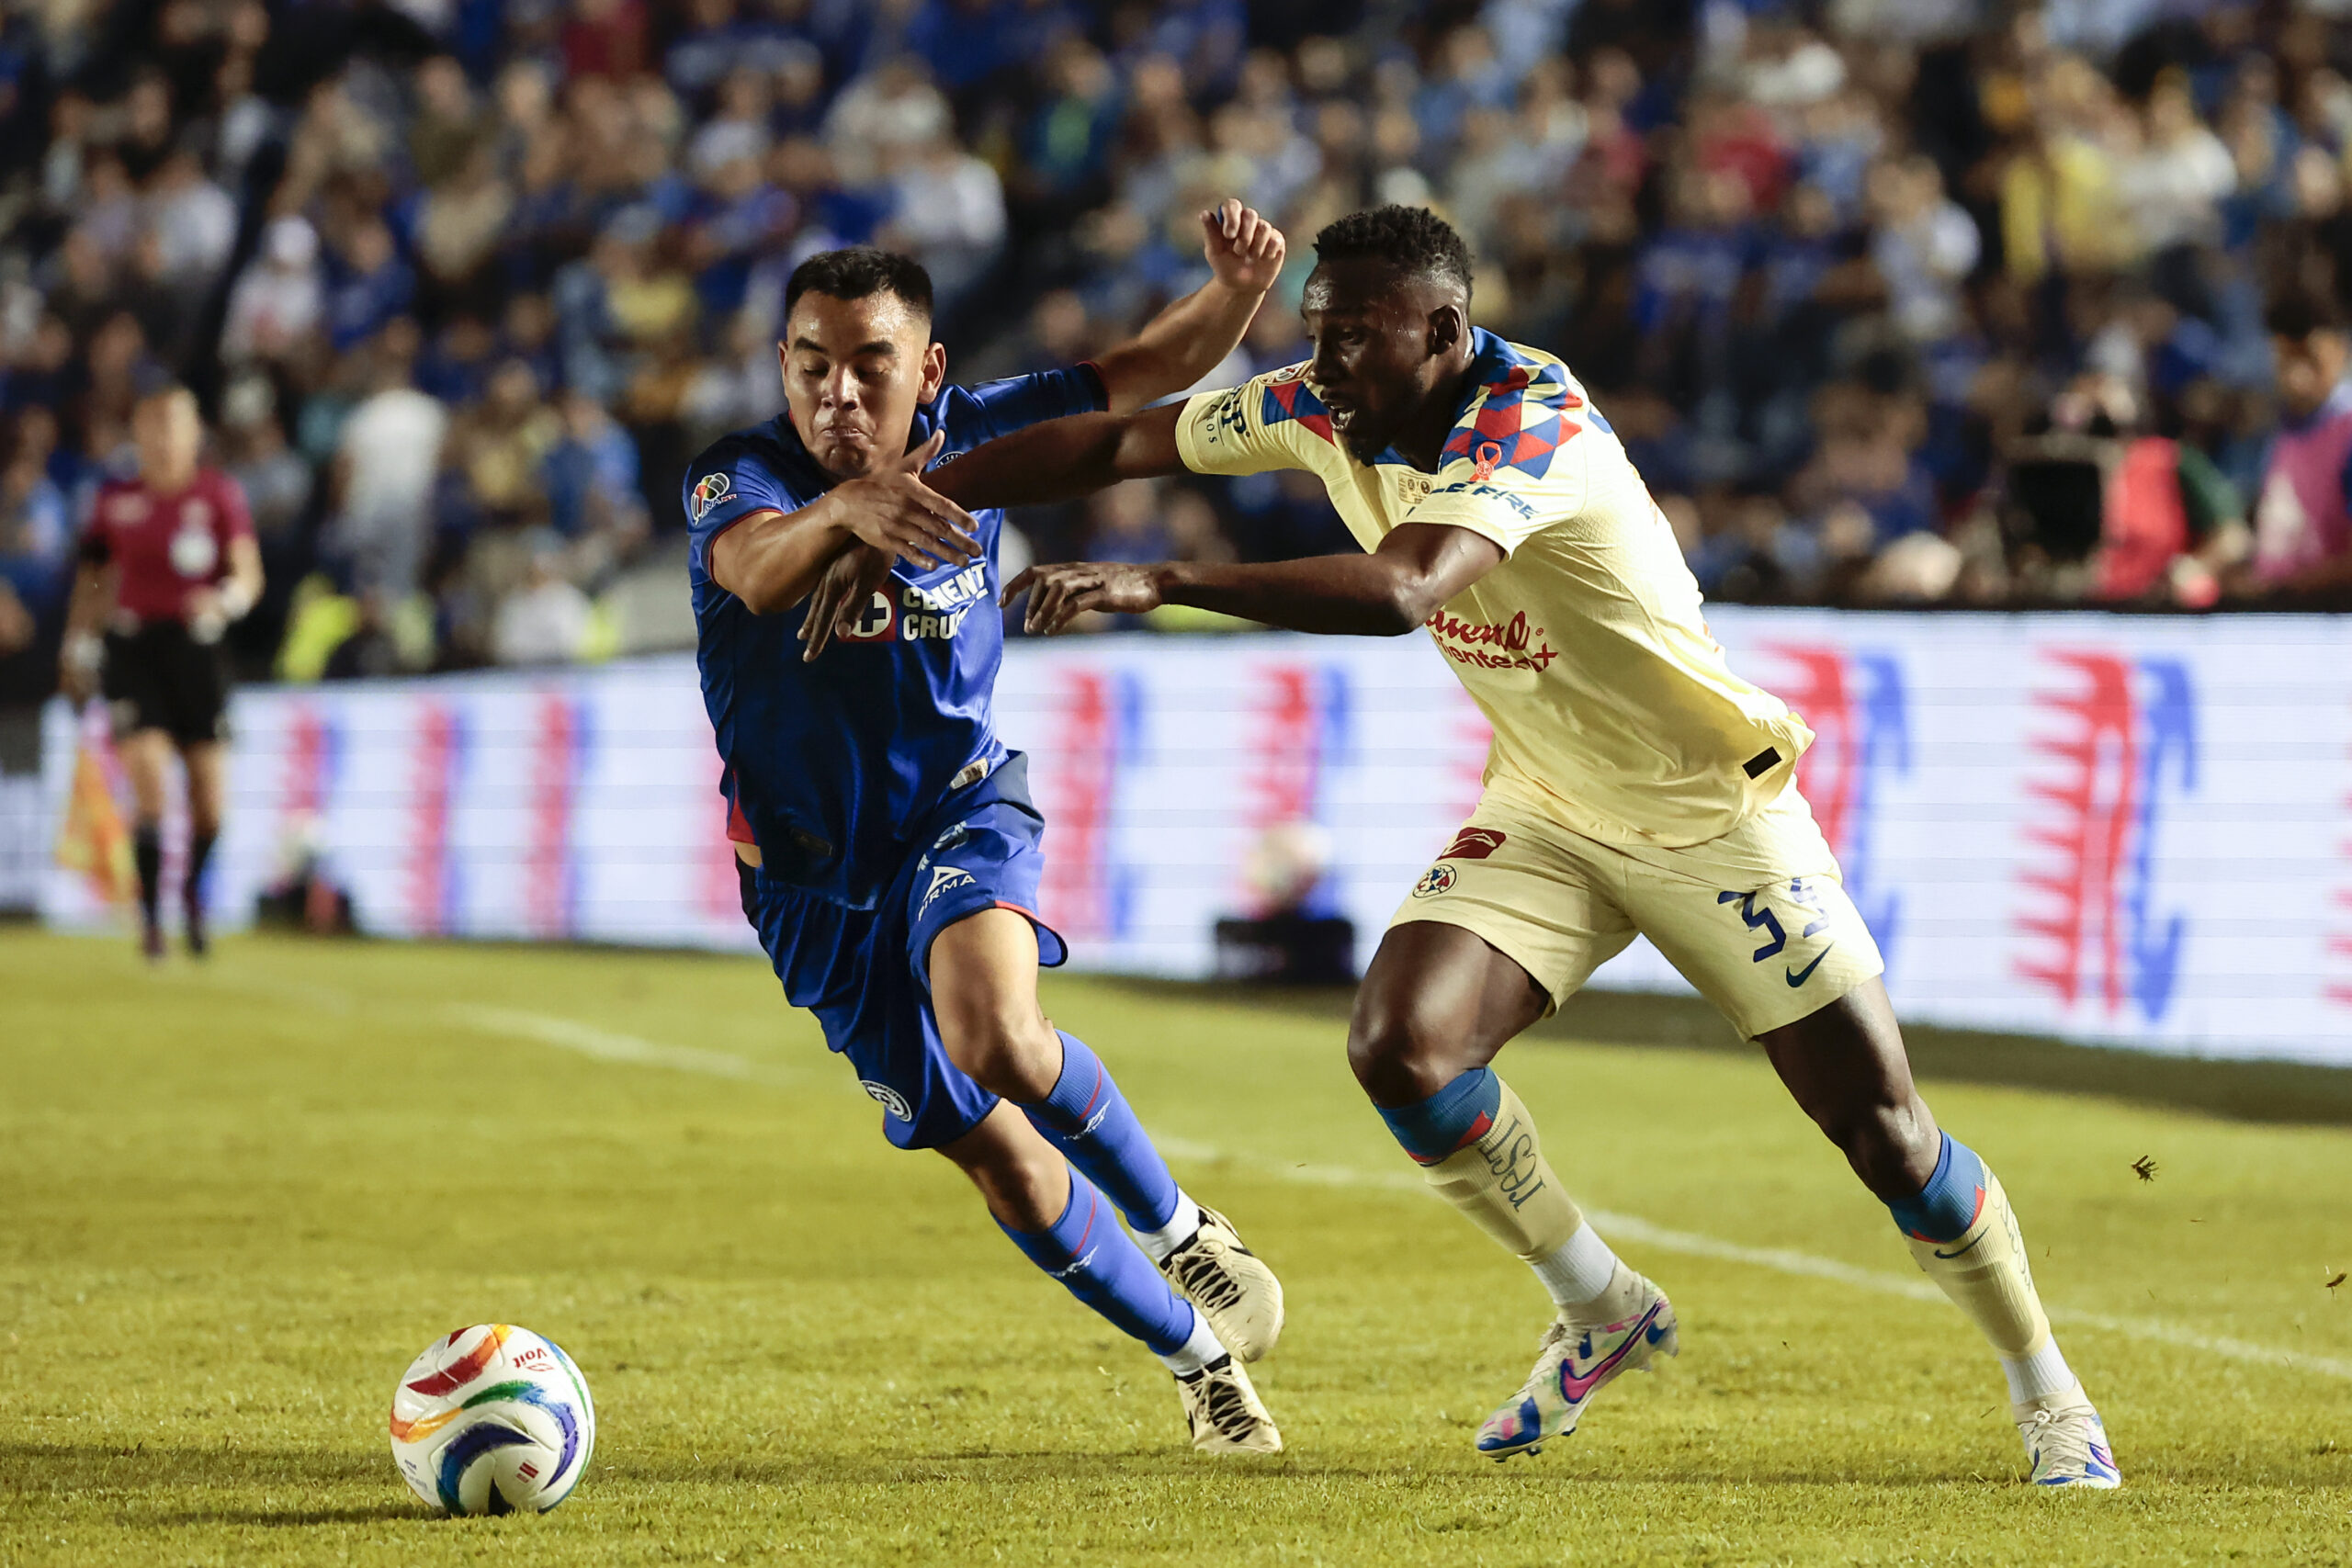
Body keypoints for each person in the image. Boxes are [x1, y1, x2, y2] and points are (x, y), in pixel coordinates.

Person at [894, 205, 2122, 1488]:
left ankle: (2050, 1388)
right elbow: (1118, 441)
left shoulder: (1531, 421)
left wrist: (1162, 582)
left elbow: (1405, 588)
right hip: (1548, 802)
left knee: (1886, 1134)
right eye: (1316, 333)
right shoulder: (1321, 404)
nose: (1324, 365)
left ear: (1442, 330)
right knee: (1401, 1048)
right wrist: (919, 495)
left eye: (1356, 338)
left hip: (1711, 812)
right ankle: (1599, 1301)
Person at [684, 202, 1292, 1454]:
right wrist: (847, 513)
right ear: (782, 365)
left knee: (999, 1031)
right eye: (812, 364)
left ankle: (1182, 1230)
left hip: (958, 807)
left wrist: (1234, 293)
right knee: (1000, 1160)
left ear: (930, 370)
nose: (838, 393)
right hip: (805, 882)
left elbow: (1140, 374)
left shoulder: (980, 433)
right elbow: (752, 569)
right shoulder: (738, 476)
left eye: (871, 364)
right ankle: (1198, 1359)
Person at [61, 385, 263, 961]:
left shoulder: (218, 495)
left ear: (195, 433)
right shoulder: (114, 501)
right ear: (139, 434)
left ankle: (193, 897)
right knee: (150, 782)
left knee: (209, 802)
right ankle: (152, 923)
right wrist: (77, 646)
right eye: (154, 425)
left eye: (176, 425)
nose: (165, 437)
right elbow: (92, 579)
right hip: (134, 651)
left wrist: (225, 601)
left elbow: (248, 573)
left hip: (197, 650)